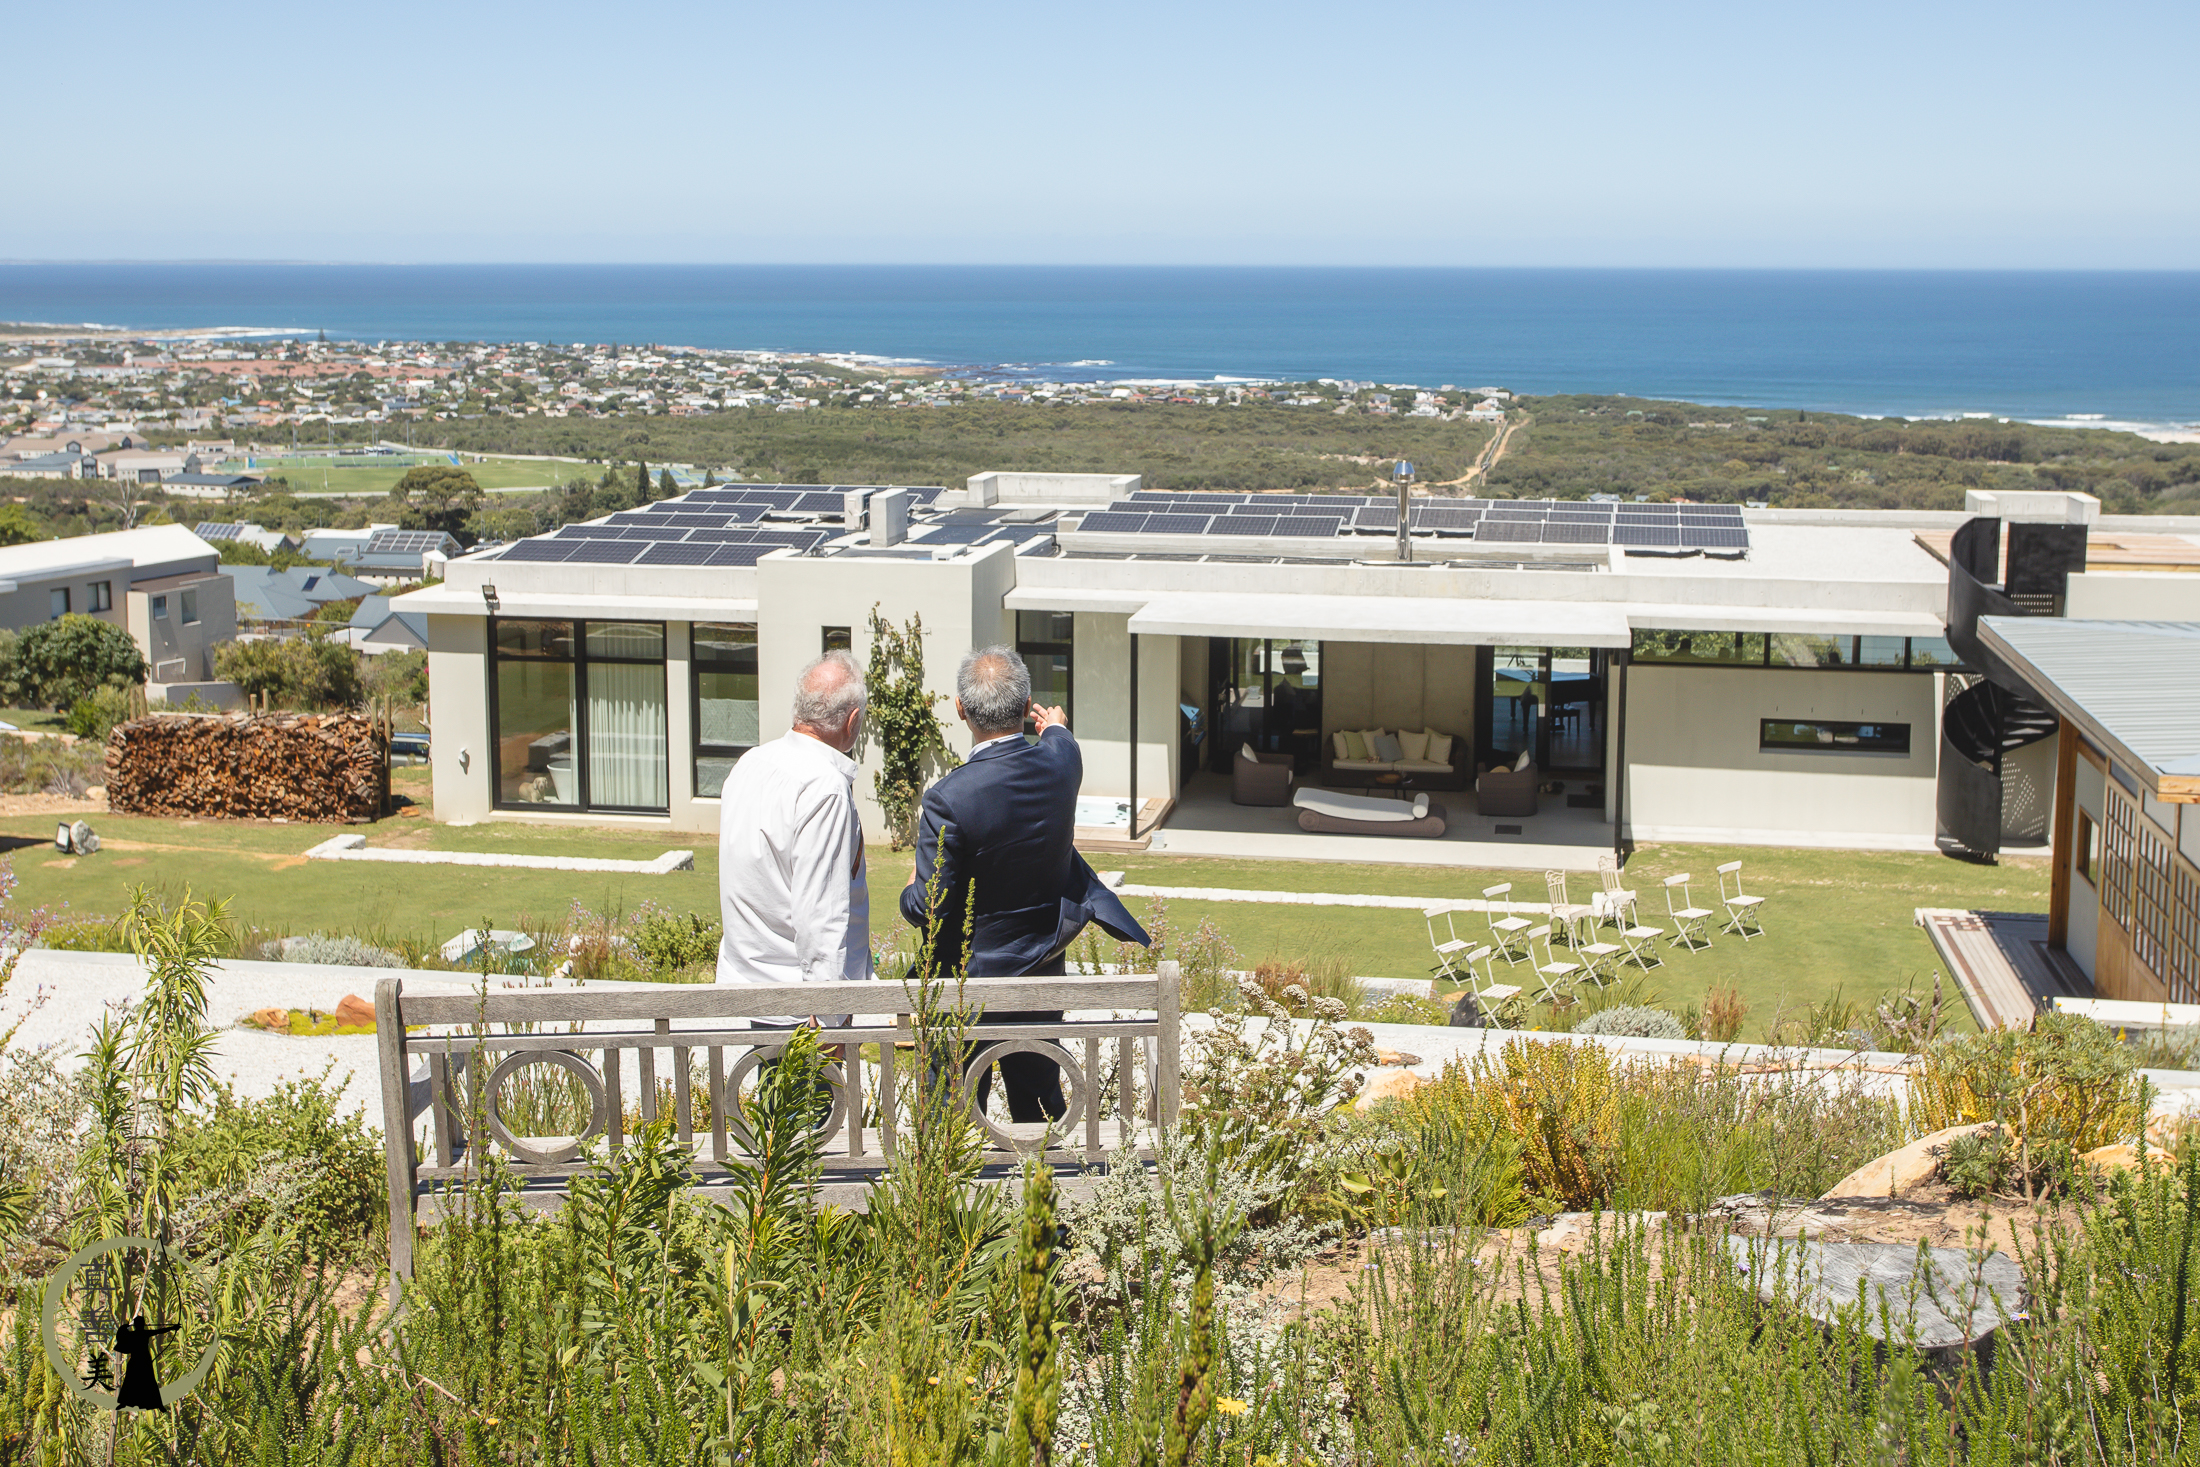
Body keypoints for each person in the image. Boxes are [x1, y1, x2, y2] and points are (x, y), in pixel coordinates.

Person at [900, 646, 1149, 1122]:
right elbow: (1060, 739)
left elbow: (928, 907)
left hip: (965, 985)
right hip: (1040, 965)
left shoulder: (948, 798)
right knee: (1038, 1108)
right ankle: (1044, 1187)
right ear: (1026, 700)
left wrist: (912, 886)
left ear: (960, 709)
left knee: (948, 1119)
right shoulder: (1061, 763)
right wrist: (1053, 723)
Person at [716, 651, 871, 1039]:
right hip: (803, 1012)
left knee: (770, 1101)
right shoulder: (824, 786)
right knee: (812, 1102)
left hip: (751, 987)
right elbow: (821, 912)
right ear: (852, 723)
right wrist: (831, 1022)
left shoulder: (751, 762)